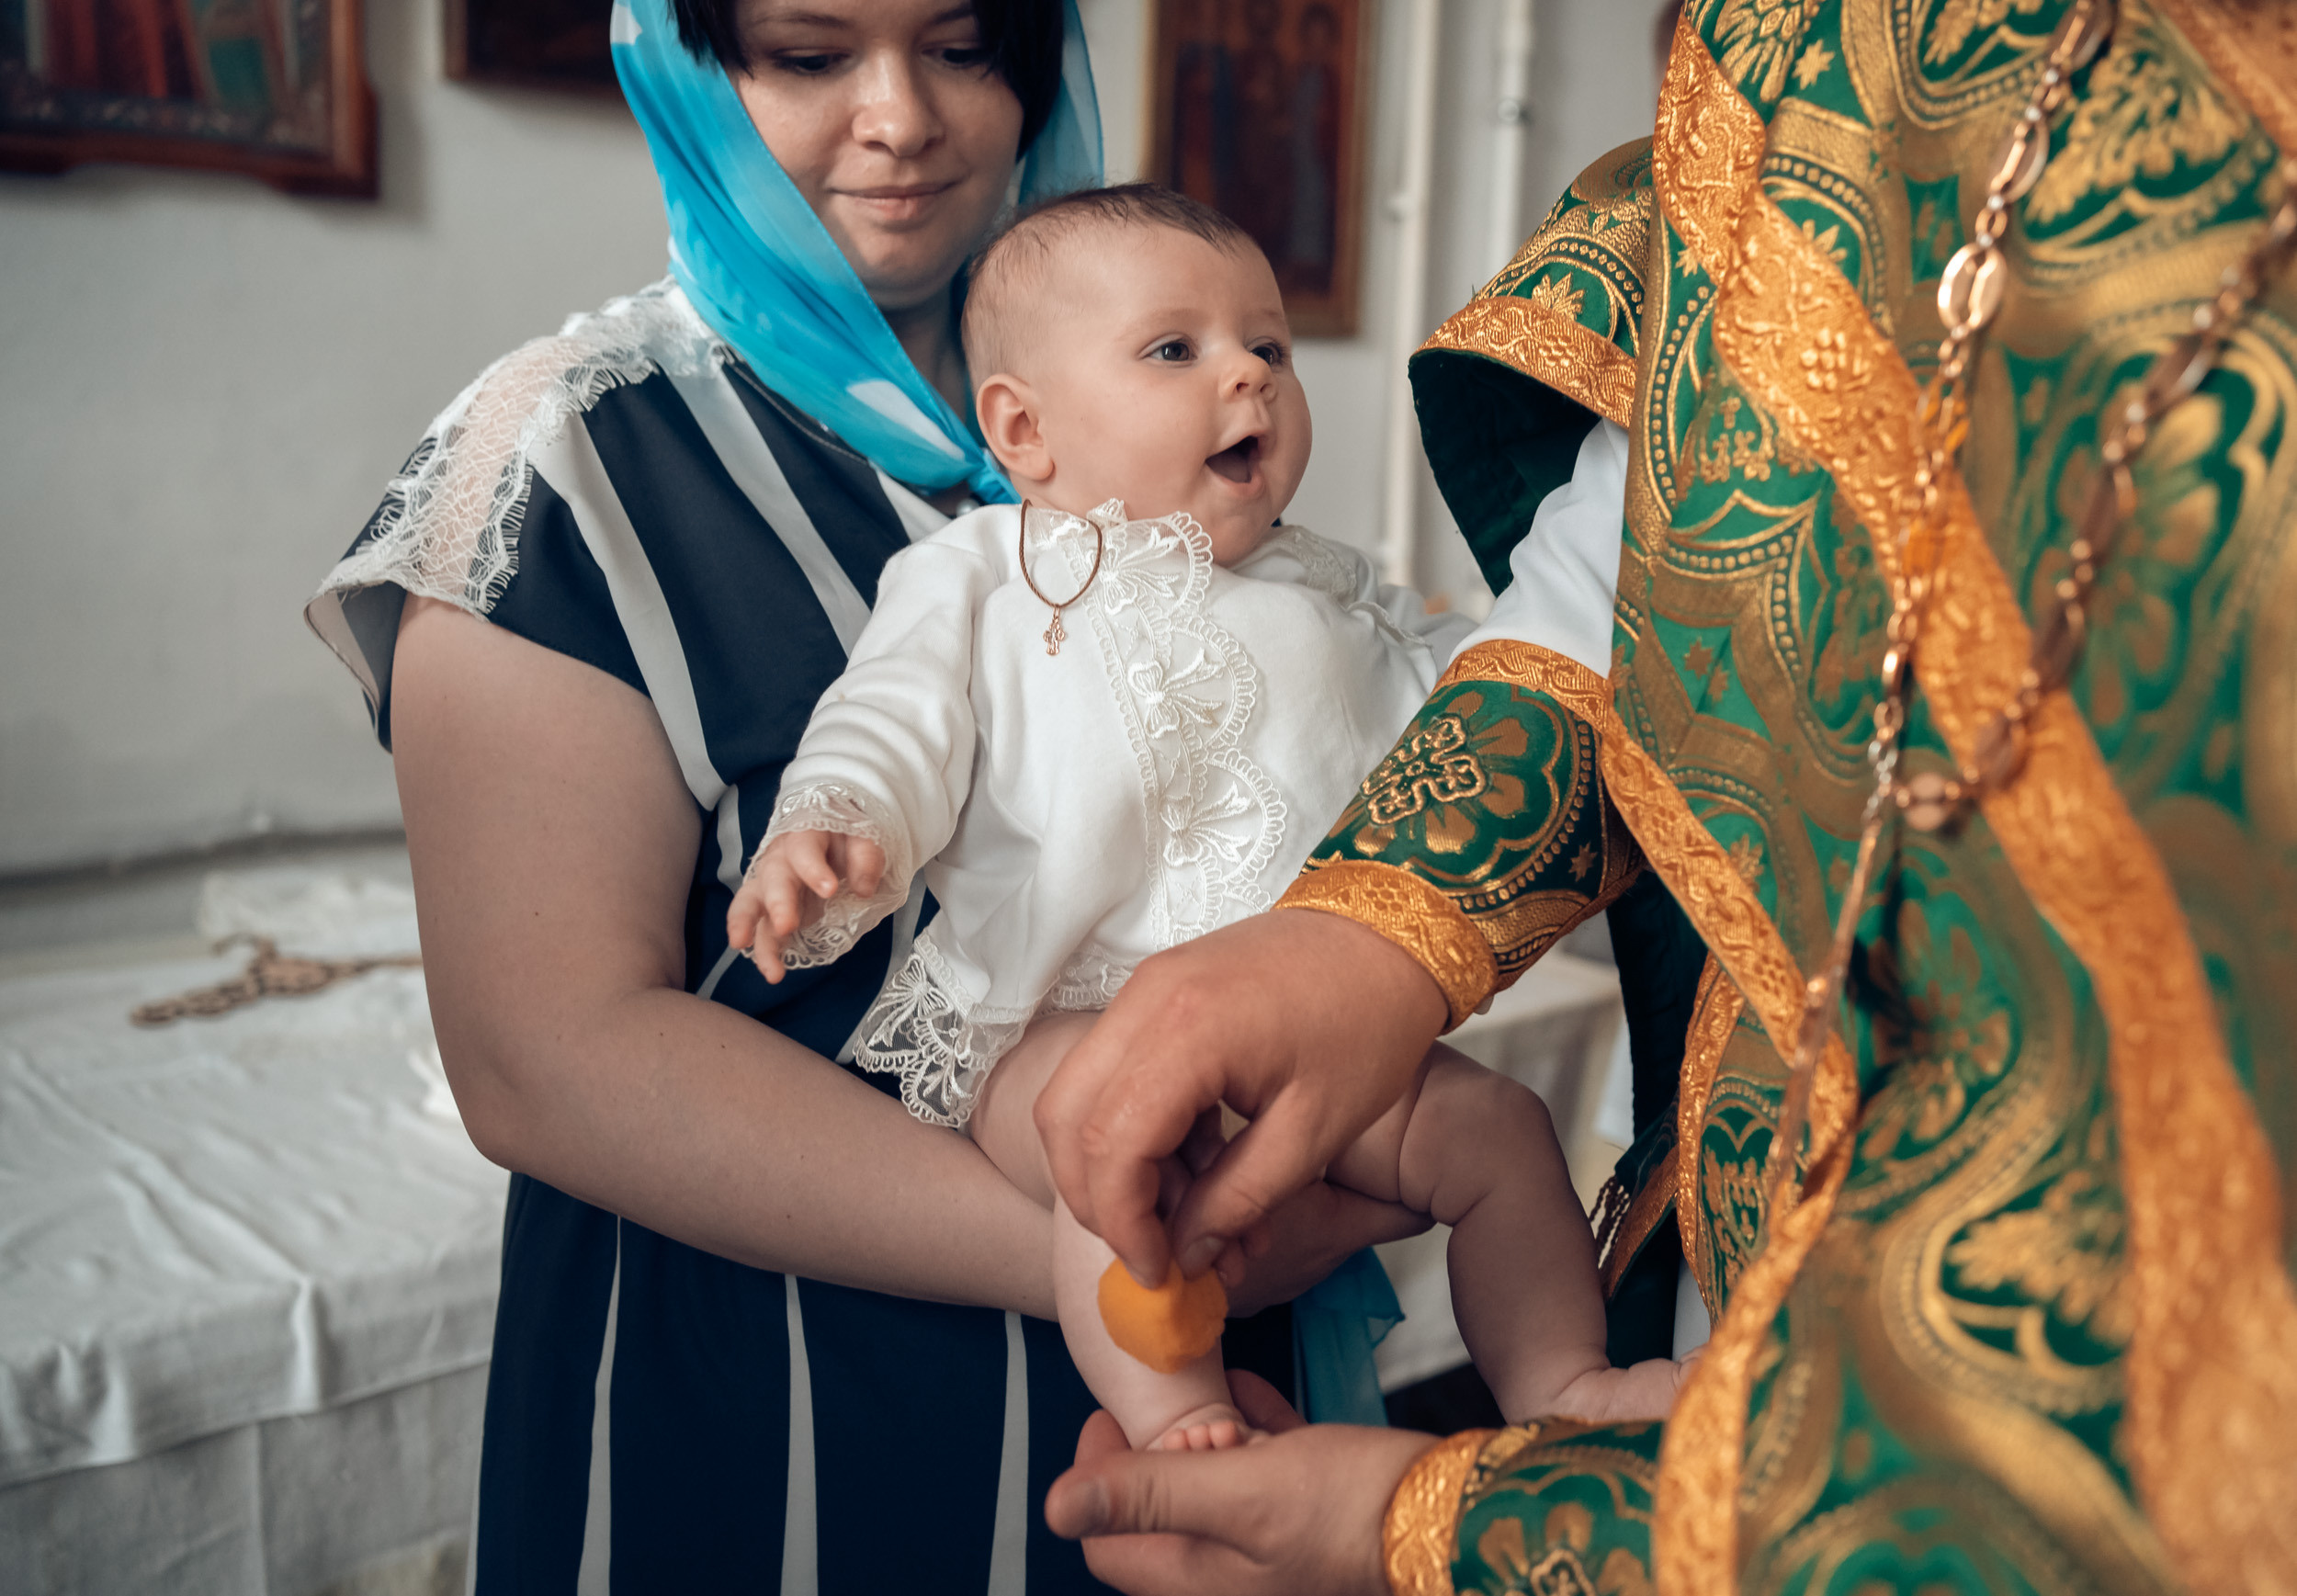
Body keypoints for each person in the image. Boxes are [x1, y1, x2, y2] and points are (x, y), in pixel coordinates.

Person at [1027, 0, 2297, 1590]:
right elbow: (1641, 568)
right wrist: (1366, 936)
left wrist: (1429, 1533)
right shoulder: (1816, 46)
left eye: (1264, 347)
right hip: (1757, 1236)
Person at [305, 1, 1420, 1587]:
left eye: (963, 48)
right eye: (810, 55)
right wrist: (1141, 1260)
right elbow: (544, 1058)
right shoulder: (568, 459)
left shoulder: (1153, 393)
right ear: (690, 68)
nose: (899, 118)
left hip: (1217, 1377)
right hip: (778, 1387)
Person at [728, 185, 1691, 1453]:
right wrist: (840, 817)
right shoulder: (982, 572)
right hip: (1063, 1016)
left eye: (1270, 347)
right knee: (1099, 1148)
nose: (1247, 373)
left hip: (1312, 1034)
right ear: (1024, 428)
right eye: (1175, 349)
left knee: (1504, 1131)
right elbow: (890, 716)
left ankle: (1562, 1378)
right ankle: (1176, 1414)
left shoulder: (1337, 590)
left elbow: (1473, 716)